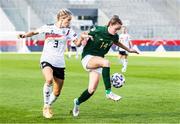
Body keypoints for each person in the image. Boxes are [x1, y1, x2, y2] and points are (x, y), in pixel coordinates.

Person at [18, 9, 87, 119]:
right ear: (61, 18)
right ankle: (46, 106)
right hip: (47, 59)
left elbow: (78, 44)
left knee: (57, 91)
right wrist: (24, 35)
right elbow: (34, 32)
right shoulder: (48, 27)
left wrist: (82, 38)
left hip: (59, 63)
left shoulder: (69, 31)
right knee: (49, 79)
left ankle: (49, 105)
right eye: (68, 20)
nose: (69, 22)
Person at [72, 15, 139, 117]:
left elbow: (117, 42)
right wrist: (83, 37)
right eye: (116, 29)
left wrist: (129, 50)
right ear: (111, 25)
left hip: (98, 61)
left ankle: (77, 102)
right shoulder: (98, 30)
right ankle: (108, 92)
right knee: (106, 62)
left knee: (91, 90)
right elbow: (84, 34)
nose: (117, 31)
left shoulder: (115, 36)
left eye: (118, 30)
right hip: (88, 57)